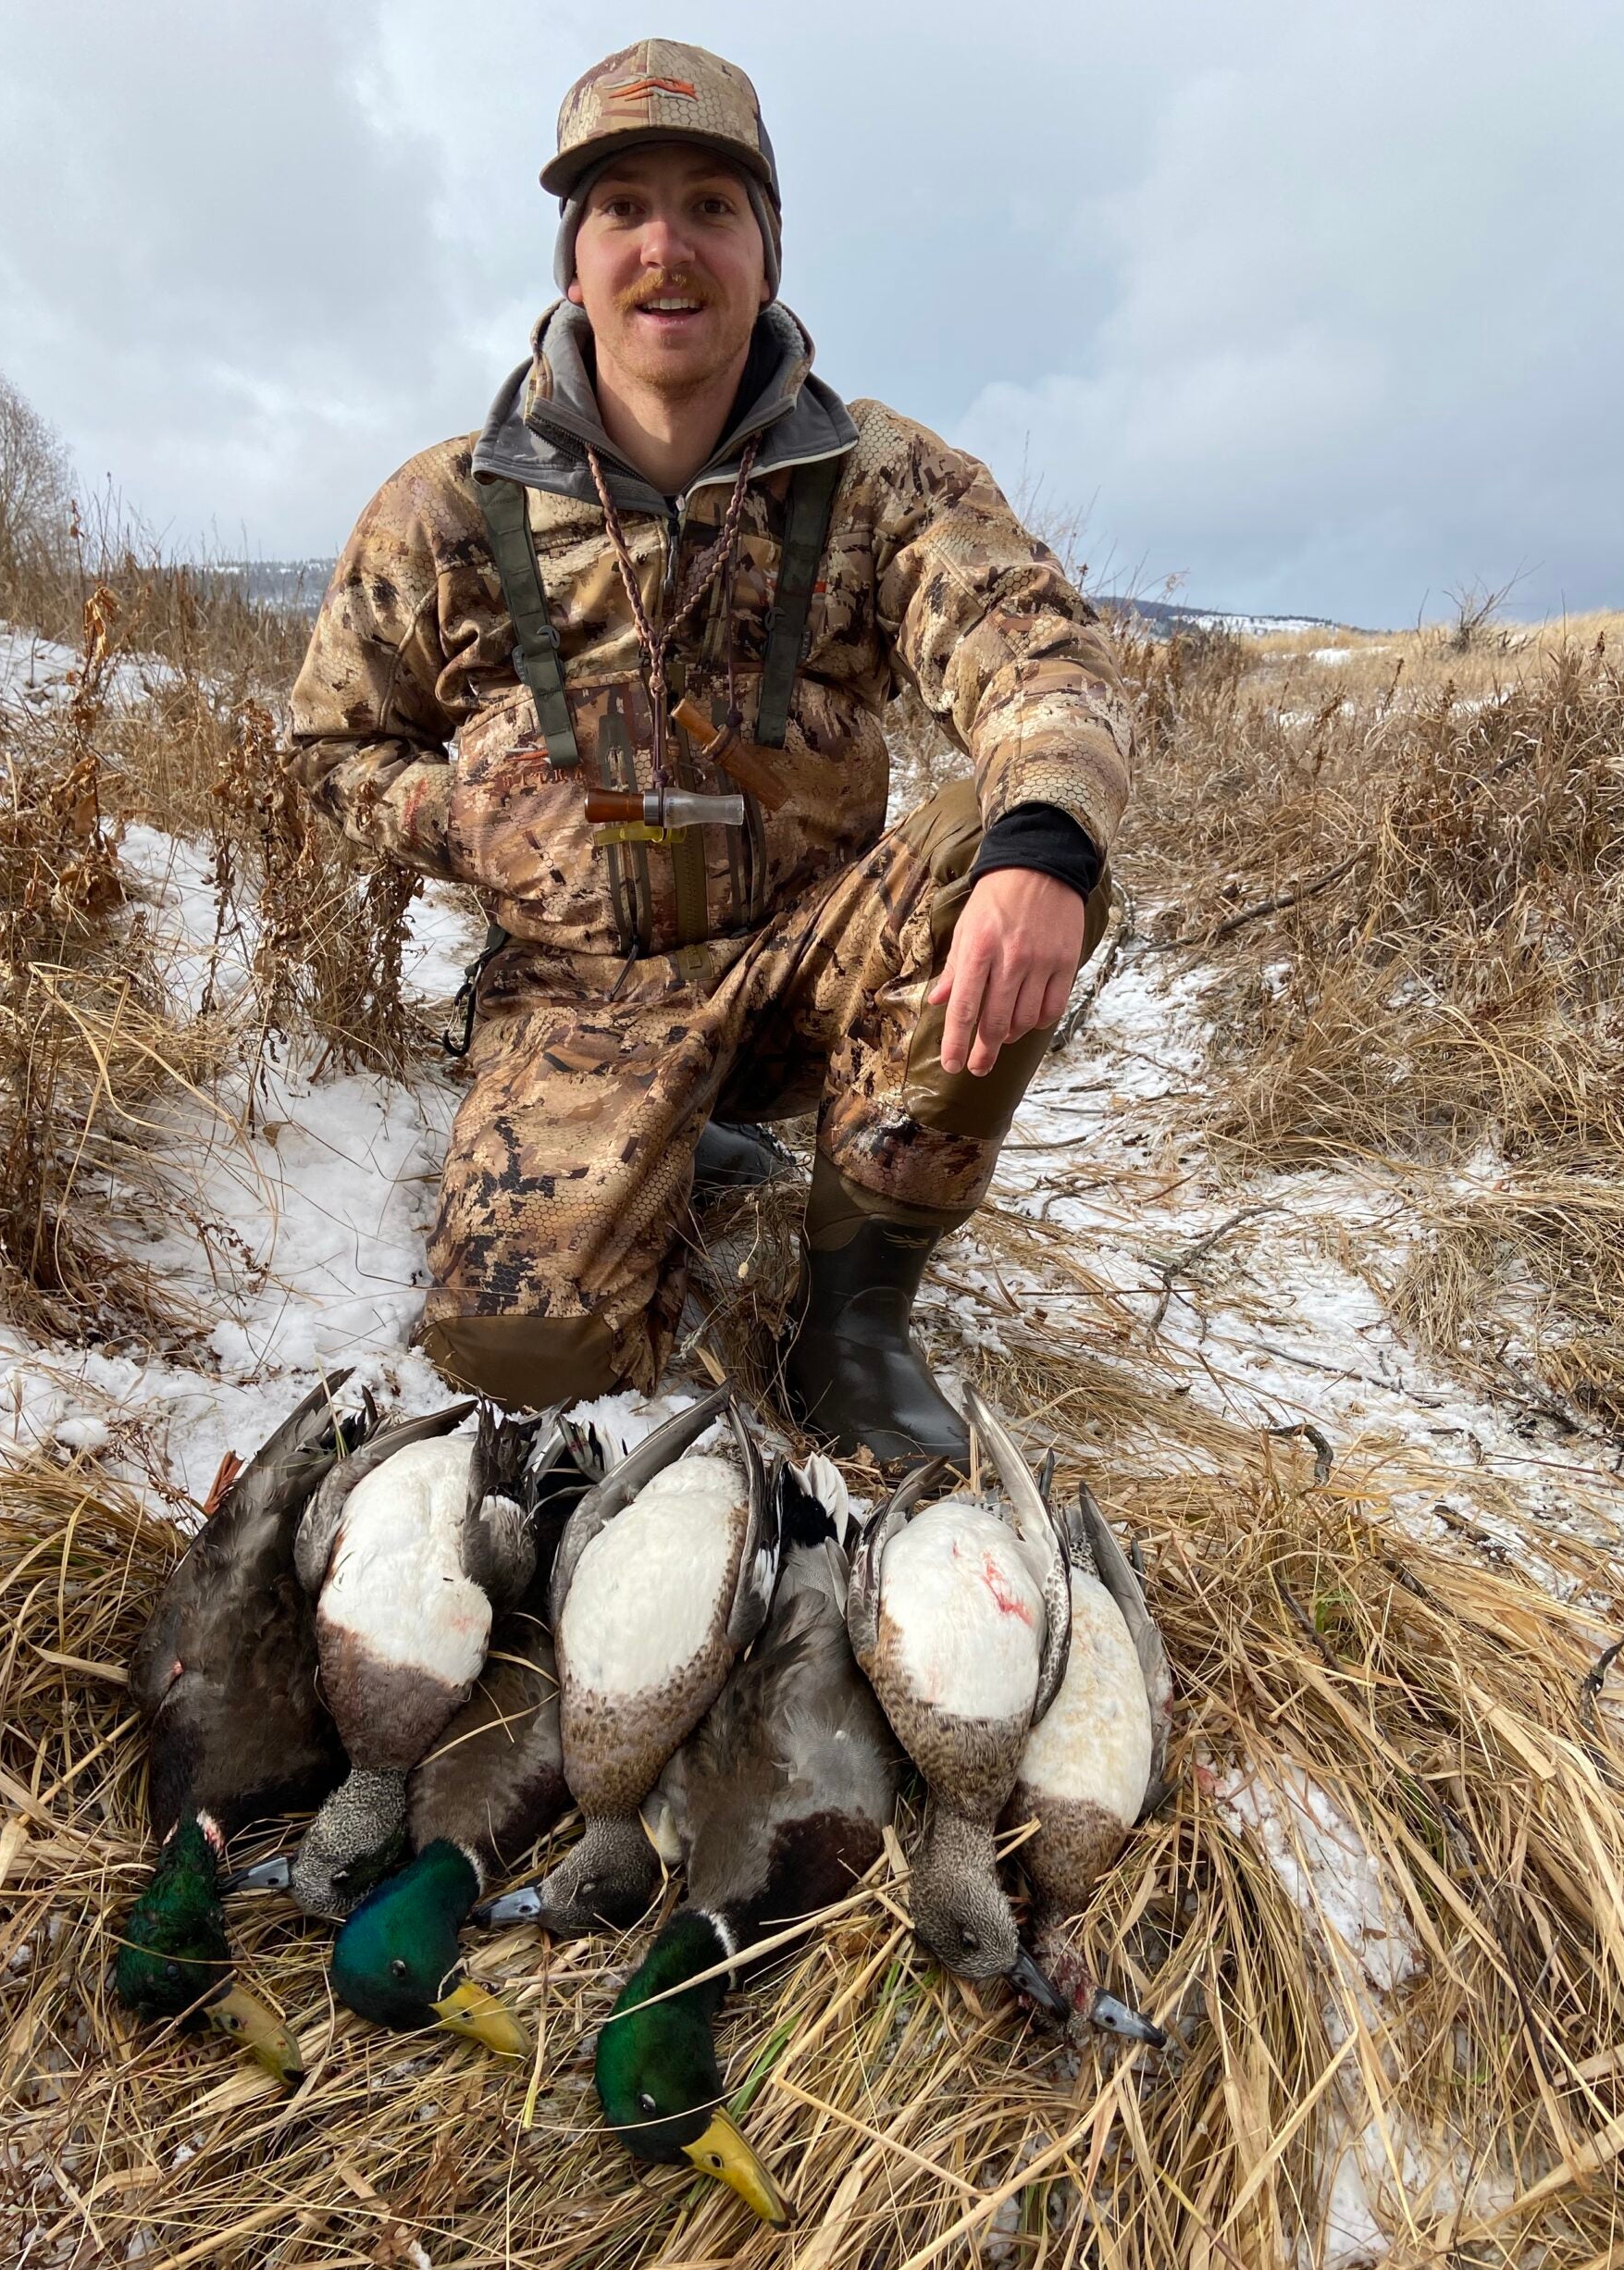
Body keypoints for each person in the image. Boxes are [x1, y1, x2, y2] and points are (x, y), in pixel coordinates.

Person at [287, 38, 1132, 1465]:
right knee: (522, 1356)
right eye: (622, 206)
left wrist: (1046, 843)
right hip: (578, 996)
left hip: (810, 959)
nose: (666, 247)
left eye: (712, 206)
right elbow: (329, 748)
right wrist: (463, 815)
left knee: (1013, 841)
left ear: (768, 249)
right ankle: (673, 1147)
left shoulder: (878, 479)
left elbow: (1039, 655)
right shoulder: (443, 509)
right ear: (574, 261)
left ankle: (852, 1320)